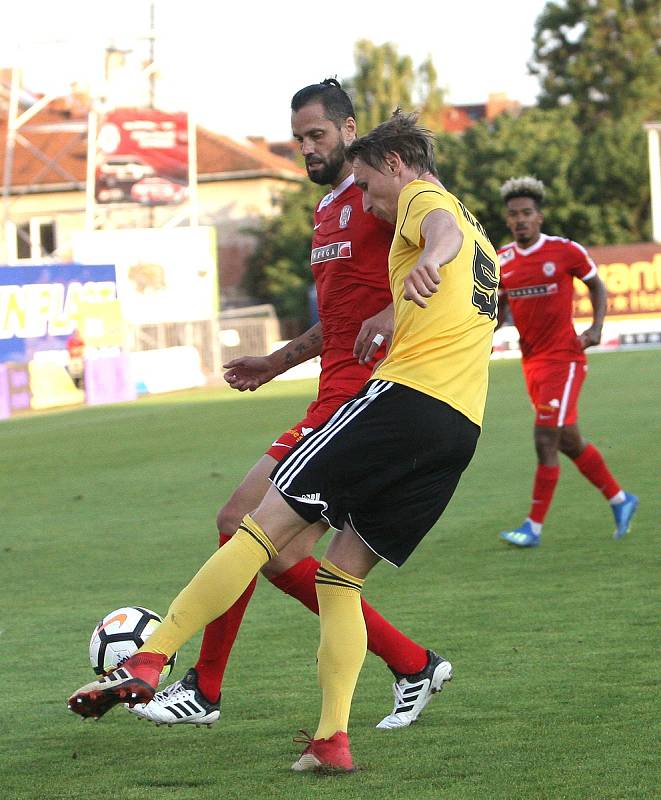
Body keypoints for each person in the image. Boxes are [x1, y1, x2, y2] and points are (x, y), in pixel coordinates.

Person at [68, 112, 498, 773]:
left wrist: (424, 264)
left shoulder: (419, 196)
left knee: (255, 527)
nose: (370, 201)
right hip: (457, 430)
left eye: (368, 185)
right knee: (338, 576)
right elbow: (448, 255)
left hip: (403, 403)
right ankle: (333, 739)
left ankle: (153, 659)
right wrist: (397, 303)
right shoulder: (483, 238)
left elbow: (432, 229)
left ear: (392, 164)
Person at [126, 80, 451, 732]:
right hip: (330, 392)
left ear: (349, 130)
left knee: (241, 522)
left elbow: (440, 218)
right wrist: (277, 362)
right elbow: (338, 318)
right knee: (271, 548)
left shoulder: (375, 198)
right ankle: (413, 663)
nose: (306, 148)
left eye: (318, 136)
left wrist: (412, 292)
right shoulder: (327, 209)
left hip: (366, 399)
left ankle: (204, 687)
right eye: (298, 138)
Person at [497, 176, 639, 548]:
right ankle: (621, 500)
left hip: (565, 358)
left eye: (527, 213)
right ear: (508, 220)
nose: (521, 220)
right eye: (514, 215)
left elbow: (597, 285)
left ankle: (533, 527)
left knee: (545, 437)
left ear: (539, 216)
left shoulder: (564, 251)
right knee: (568, 441)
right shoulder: (502, 261)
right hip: (532, 364)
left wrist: (596, 328)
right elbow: (496, 309)